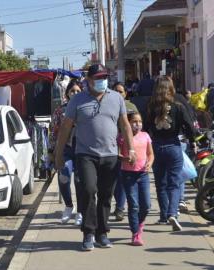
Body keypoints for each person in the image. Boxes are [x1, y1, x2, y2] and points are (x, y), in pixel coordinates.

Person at [55, 64, 136, 251]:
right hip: (85, 154)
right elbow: (66, 128)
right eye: (97, 78)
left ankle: (102, 233)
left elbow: (124, 125)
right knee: (89, 190)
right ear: (88, 81)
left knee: (106, 195)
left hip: (111, 155)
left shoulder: (116, 98)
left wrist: (131, 149)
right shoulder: (77, 100)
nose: (102, 81)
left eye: (104, 77)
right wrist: (58, 155)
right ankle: (88, 232)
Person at [146, 76, 197, 231]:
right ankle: (172, 213)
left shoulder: (151, 106)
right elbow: (189, 126)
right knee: (174, 182)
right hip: (174, 145)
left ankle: (163, 215)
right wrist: (192, 141)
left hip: (156, 146)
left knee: (160, 183)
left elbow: (146, 126)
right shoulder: (178, 106)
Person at [49, 80, 83, 225]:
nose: (75, 93)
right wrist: (52, 151)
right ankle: (69, 206)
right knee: (64, 176)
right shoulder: (60, 111)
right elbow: (54, 131)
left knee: (80, 181)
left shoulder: (85, 108)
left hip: (82, 149)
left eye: (77, 91)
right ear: (67, 93)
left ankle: (81, 211)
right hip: (66, 149)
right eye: (72, 91)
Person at [118, 112, 154, 246]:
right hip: (128, 174)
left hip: (143, 174)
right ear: (128, 123)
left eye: (139, 121)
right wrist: (125, 158)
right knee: (133, 205)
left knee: (146, 205)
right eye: (134, 121)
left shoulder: (145, 136)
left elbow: (151, 154)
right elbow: (117, 153)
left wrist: (150, 162)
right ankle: (135, 233)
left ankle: (140, 223)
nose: (137, 124)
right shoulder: (122, 137)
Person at [112, 82, 139, 221]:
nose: (118, 94)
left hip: (127, 145)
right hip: (111, 145)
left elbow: (137, 124)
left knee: (123, 179)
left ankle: (120, 208)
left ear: (125, 94)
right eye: (115, 91)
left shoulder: (131, 107)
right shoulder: (109, 105)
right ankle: (119, 205)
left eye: (121, 91)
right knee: (115, 179)